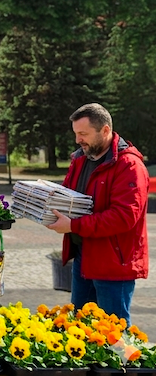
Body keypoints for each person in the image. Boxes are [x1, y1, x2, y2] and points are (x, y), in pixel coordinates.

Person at [46, 103, 148, 323]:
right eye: (75, 133)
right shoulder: (80, 160)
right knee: (80, 330)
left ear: (105, 130)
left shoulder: (129, 165)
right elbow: (67, 197)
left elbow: (124, 217)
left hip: (113, 263)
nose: (78, 140)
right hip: (84, 257)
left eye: (83, 134)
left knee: (115, 336)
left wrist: (73, 226)